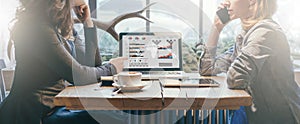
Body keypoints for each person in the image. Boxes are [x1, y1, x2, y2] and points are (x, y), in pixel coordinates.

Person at [0, 0, 127, 124]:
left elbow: (93, 65)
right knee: (113, 116)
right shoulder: (37, 28)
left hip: (52, 107)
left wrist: (87, 23)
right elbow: (78, 75)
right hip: (32, 113)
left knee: (113, 114)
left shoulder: (56, 25)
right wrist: (112, 68)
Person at [199, 0, 300, 123]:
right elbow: (207, 68)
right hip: (261, 116)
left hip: (280, 118)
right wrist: (216, 27)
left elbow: (235, 78)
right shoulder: (247, 34)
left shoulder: (266, 32)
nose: (225, 2)